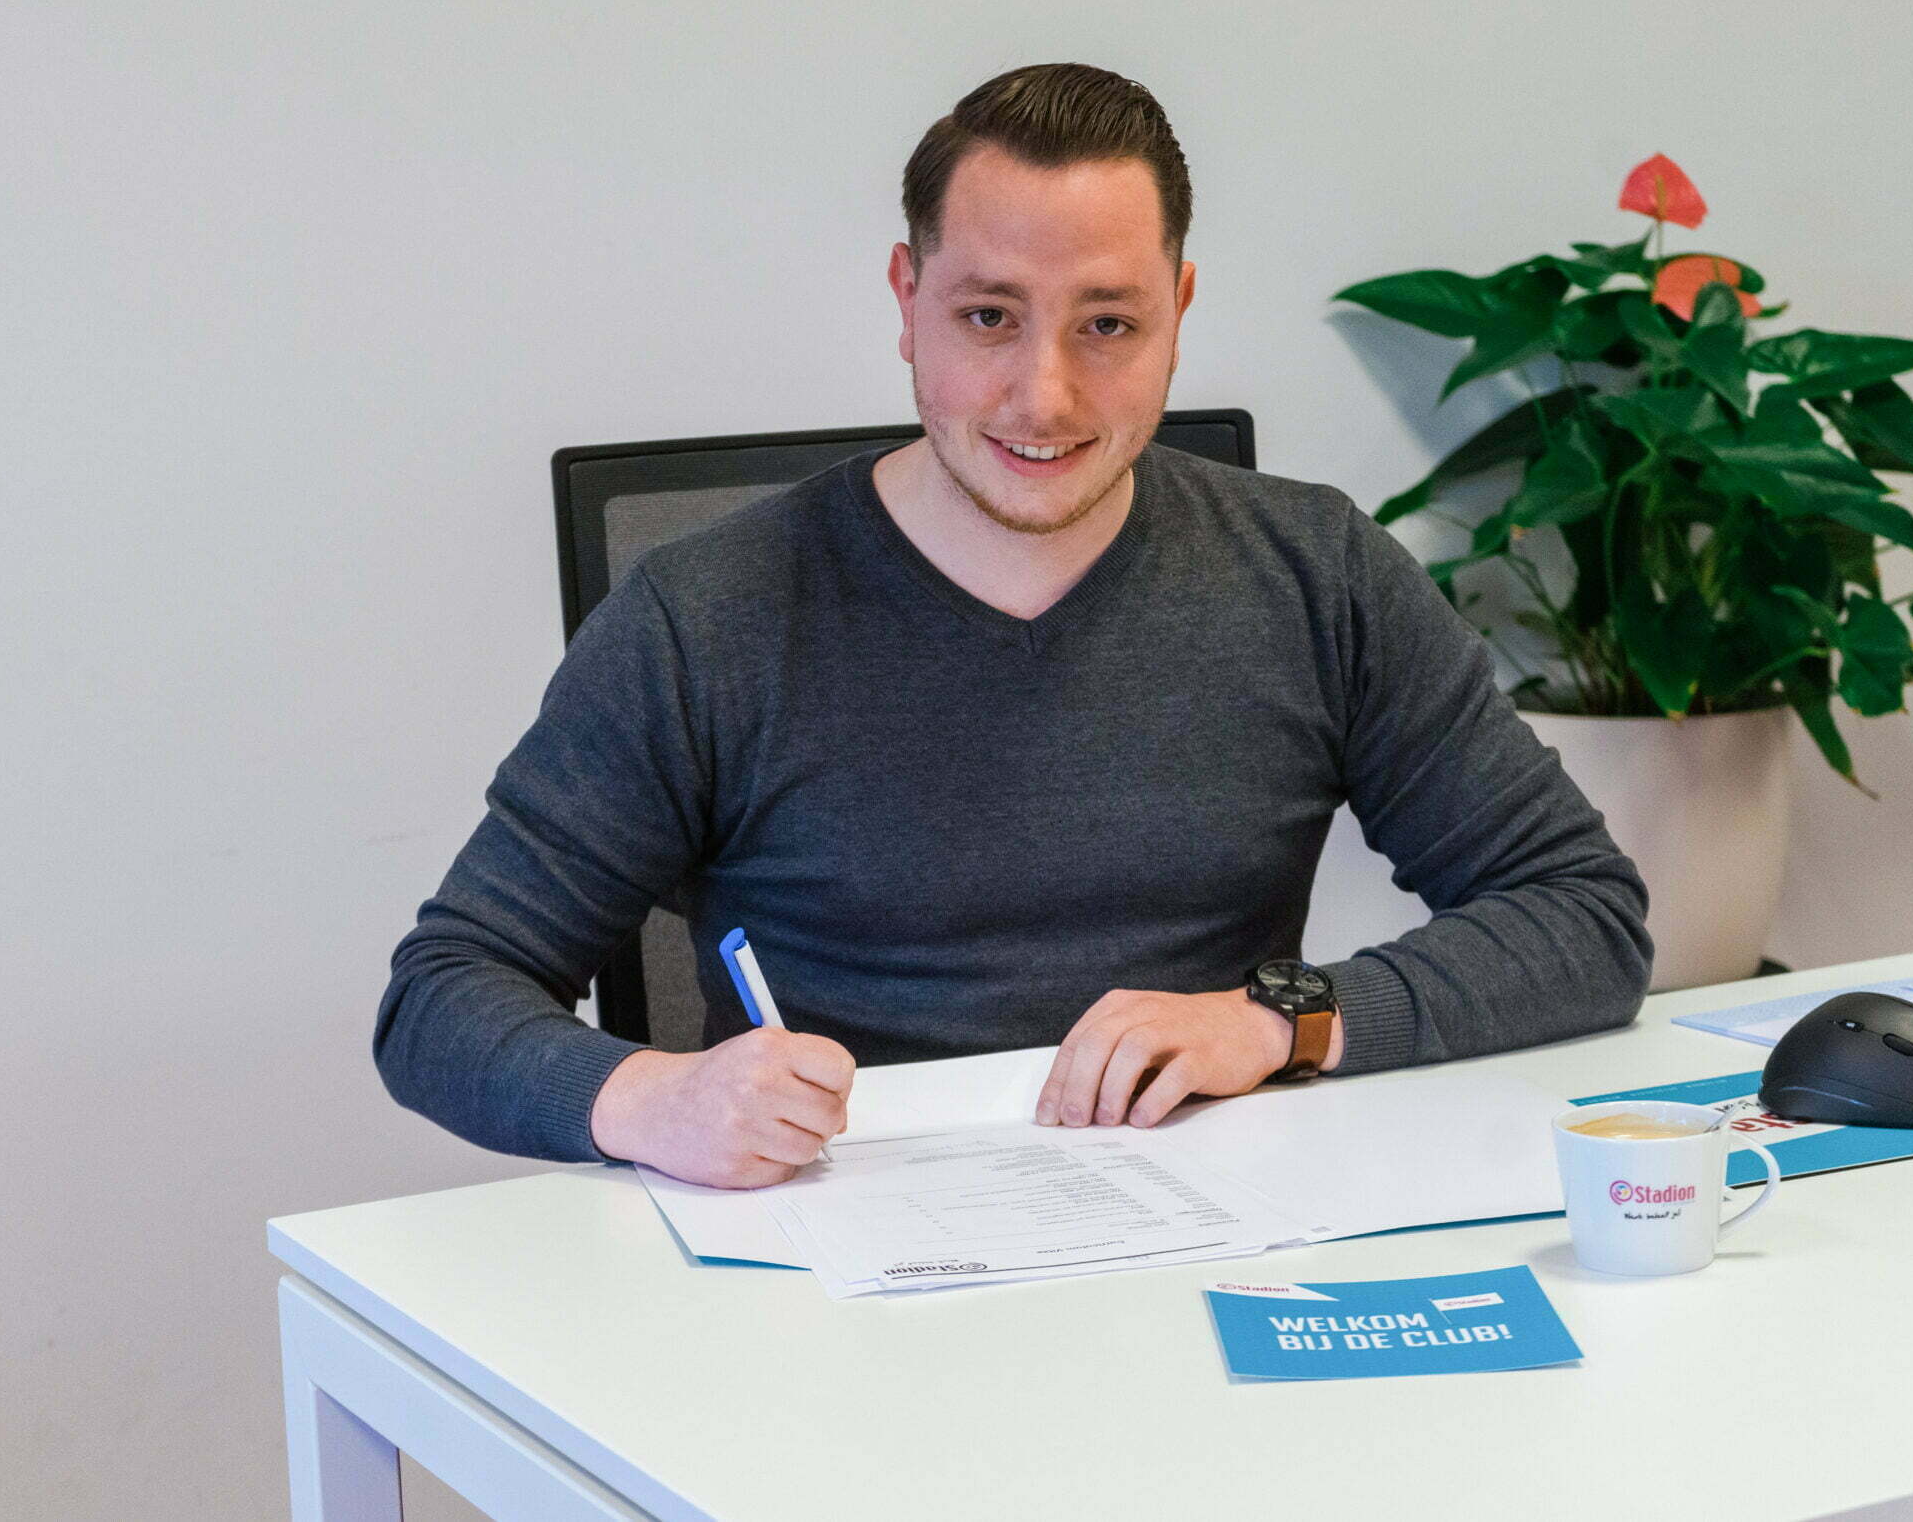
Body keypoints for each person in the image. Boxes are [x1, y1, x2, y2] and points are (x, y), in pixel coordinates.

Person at [374, 62, 1652, 1189]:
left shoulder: (1315, 573)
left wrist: (1280, 1020)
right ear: (907, 297)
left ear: (1178, 310)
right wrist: (653, 1099)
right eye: (988, 316)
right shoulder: (707, 618)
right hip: (842, 1257)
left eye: (1108, 325)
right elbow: (442, 998)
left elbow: (1581, 913)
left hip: (1220, 1235)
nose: (1044, 395)